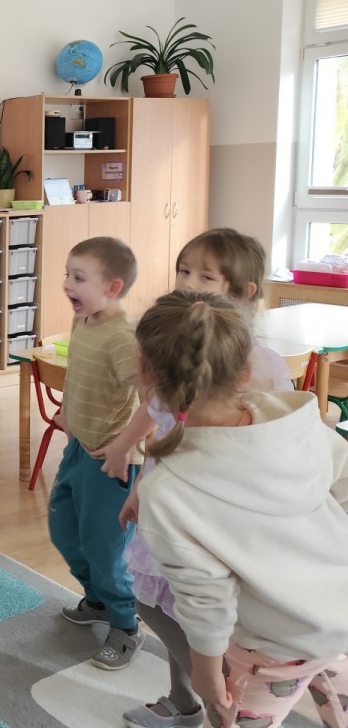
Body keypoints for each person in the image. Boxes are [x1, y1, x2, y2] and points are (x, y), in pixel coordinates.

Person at [96, 229, 292, 727]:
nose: (188, 283)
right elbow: (159, 413)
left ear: (243, 292)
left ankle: (218, 693)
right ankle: (185, 699)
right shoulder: (175, 353)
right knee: (162, 601)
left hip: (210, 514)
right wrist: (133, 467)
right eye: (184, 271)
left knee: (189, 609)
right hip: (166, 497)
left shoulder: (260, 367)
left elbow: (270, 444)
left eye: (206, 276)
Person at [133, 291, 348, 728]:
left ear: (145, 372)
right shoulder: (292, 418)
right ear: (246, 370)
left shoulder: (169, 490)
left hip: (271, 647)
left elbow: (205, 601)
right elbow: (343, 481)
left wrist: (207, 675)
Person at [49, 237, 145, 670]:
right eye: (67, 275)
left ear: (113, 286)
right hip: (78, 448)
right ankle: (99, 601)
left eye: (79, 277)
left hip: (111, 462)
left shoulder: (124, 338)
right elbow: (76, 375)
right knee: (65, 532)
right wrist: (66, 413)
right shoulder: (83, 322)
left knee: (105, 548)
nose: (67, 284)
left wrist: (124, 445)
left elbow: (155, 401)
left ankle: (126, 624)